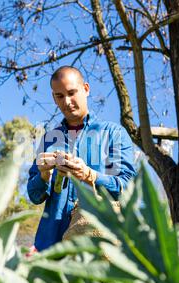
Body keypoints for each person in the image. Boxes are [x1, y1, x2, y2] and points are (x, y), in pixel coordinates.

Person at [27, 66, 136, 252]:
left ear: (86, 89)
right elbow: (34, 196)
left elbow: (128, 188)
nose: (67, 102)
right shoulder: (49, 140)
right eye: (60, 96)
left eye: (72, 92)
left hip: (99, 244)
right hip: (51, 246)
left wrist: (90, 175)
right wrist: (43, 175)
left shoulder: (113, 133)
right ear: (54, 98)